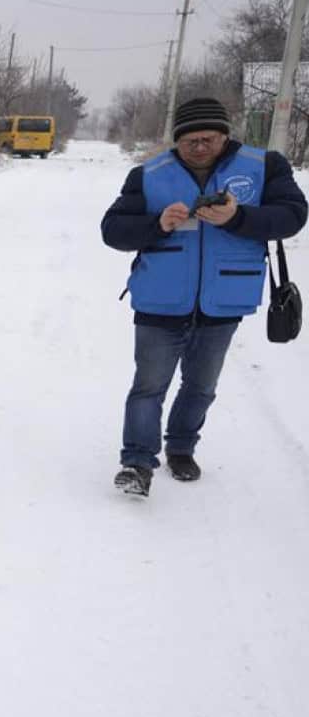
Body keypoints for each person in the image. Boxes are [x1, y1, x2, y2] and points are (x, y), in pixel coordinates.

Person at [101, 96, 306, 497]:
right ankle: (137, 463)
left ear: (225, 136)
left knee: (200, 386)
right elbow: (112, 230)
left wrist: (238, 218)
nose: (198, 147)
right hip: (160, 299)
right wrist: (157, 224)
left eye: (207, 139)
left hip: (224, 298)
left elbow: (294, 215)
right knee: (148, 385)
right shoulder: (148, 174)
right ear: (176, 141)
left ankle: (180, 447)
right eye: (189, 141)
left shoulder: (265, 167)